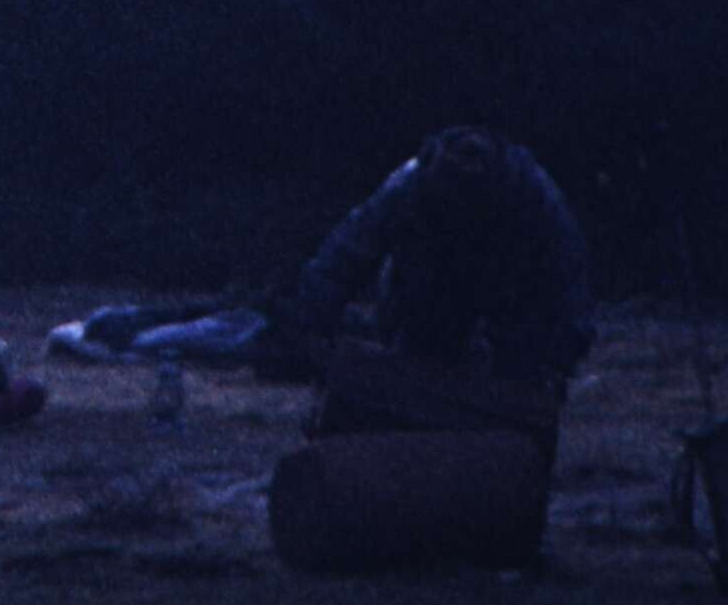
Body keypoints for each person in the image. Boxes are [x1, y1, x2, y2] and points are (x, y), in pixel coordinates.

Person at [256, 124, 598, 445]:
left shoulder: (534, 195)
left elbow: (569, 280)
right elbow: (346, 255)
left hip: (508, 292)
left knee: (517, 377)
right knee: (418, 370)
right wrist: (308, 317)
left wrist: (559, 358)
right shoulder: (407, 186)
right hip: (429, 292)